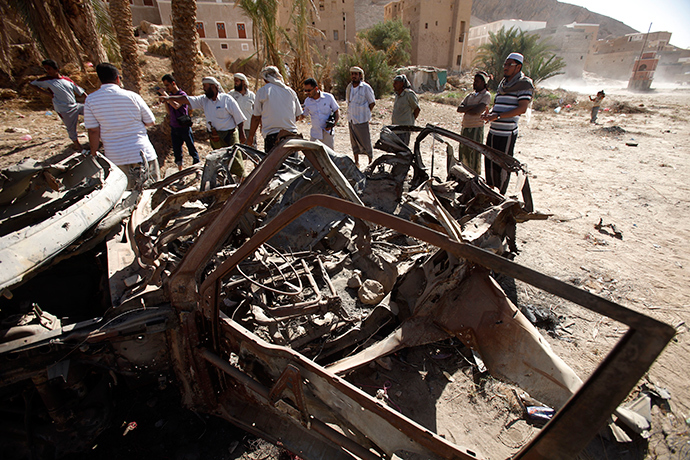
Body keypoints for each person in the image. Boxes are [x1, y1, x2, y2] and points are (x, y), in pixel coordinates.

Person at [84, 63, 160, 189]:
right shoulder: (132, 96)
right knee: (152, 192)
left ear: (99, 80)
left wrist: (93, 154)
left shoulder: (91, 100)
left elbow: (93, 131)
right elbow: (151, 121)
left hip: (116, 157)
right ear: (118, 79)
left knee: (126, 196)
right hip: (142, 153)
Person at [161, 76, 247, 179]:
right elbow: (186, 99)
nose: (204, 89)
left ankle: (243, 181)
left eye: (205, 86)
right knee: (220, 162)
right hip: (215, 137)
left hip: (229, 135)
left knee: (235, 161)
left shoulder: (226, 99)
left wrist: (242, 134)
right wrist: (169, 98)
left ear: (213, 87)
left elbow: (239, 118)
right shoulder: (203, 100)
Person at [481, 52, 534, 193]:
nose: (505, 67)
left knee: (503, 164)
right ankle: (490, 190)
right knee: (490, 162)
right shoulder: (503, 84)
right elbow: (498, 104)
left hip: (506, 132)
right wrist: (490, 115)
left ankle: (500, 193)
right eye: (505, 64)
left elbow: (522, 108)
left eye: (509, 64)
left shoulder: (524, 83)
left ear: (518, 67)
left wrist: (497, 116)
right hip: (494, 130)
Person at [30, 59, 87, 150]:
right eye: (46, 69)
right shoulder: (47, 80)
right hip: (64, 108)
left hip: (75, 105)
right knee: (71, 128)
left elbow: (80, 91)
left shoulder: (67, 80)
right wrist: (47, 94)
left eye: (49, 68)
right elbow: (32, 84)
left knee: (93, 111)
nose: (48, 71)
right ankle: (78, 146)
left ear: (57, 69)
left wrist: (89, 101)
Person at [247, 66, 302, 153]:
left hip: (272, 135)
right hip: (291, 135)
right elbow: (298, 116)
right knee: (292, 164)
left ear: (265, 79)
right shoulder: (290, 91)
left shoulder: (262, 91)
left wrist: (250, 137)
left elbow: (256, 117)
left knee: (273, 165)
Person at [160, 74, 199, 170]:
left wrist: (166, 97)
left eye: (167, 85)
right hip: (174, 126)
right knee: (177, 151)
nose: (167, 88)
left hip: (183, 126)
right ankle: (181, 173)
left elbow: (176, 105)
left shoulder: (181, 95)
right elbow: (170, 111)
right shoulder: (170, 96)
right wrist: (166, 101)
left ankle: (197, 169)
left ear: (173, 83)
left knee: (191, 148)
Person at [456, 71, 492, 174]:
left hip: (476, 128)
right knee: (464, 152)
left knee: (474, 153)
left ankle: (474, 175)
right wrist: (473, 107)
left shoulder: (486, 95)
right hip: (466, 126)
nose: (474, 83)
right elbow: (459, 109)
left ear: (483, 83)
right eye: (474, 81)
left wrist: (467, 108)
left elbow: (478, 111)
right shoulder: (470, 95)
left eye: (477, 81)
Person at [346, 66, 376, 168]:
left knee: (366, 141)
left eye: (356, 74)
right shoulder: (349, 88)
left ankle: (370, 162)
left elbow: (372, 102)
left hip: (362, 119)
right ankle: (356, 162)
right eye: (352, 74)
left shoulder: (366, 88)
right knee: (354, 141)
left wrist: (365, 112)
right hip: (351, 119)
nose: (353, 76)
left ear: (360, 76)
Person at [300, 77, 340, 149]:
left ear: (316, 88)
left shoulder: (328, 97)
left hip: (327, 134)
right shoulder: (307, 101)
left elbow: (336, 111)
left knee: (330, 156)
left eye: (309, 90)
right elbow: (303, 115)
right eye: (305, 91)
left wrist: (332, 124)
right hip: (315, 134)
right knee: (314, 157)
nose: (307, 93)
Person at [391, 74, 420, 146]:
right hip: (396, 129)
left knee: (403, 150)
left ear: (402, 84)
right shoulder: (397, 95)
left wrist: (410, 121)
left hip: (404, 129)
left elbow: (417, 109)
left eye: (396, 83)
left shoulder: (409, 94)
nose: (394, 85)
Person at [229, 73, 256, 147]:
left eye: (237, 81)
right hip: (236, 128)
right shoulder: (231, 95)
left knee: (252, 151)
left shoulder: (251, 96)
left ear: (243, 82)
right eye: (234, 81)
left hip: (249, 128)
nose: (235, 83)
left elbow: (256, 111)